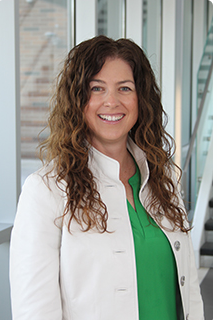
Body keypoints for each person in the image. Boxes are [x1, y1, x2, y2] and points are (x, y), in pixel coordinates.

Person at [10, 35, 204, 320]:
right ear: (78, 100)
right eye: (96, 88)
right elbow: (34, 311)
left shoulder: (164, 182)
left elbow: (189, 293)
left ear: (141, 99)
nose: (111, 101)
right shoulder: (46, 190)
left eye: (124, 88)